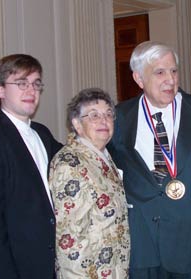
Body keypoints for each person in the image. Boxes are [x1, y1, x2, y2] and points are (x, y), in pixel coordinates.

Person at [107, 41, 191, 279]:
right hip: (141, 242)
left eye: (173, 71)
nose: (170, 80)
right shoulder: (118, 117)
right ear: (139, 78)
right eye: (160, 72)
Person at [0, 54, 62, 278]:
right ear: (0, 90)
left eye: (36, 84)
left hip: (48, 265)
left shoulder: (42, 133)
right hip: (14, 269)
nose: (31, 90)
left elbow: (76, 159)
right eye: (21, 83)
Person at [49, 88, 130, 279]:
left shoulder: (103, 156)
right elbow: (70, 241)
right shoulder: (69, 163)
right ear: (77, 124)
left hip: (114, 270)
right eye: (94, 115)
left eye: (108, 114)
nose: (104, 121)